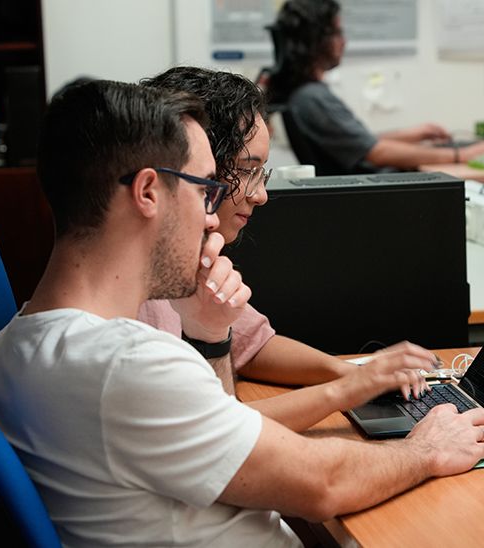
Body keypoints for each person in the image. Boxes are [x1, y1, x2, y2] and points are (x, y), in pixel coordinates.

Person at [0, 80, 484, 546]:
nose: (212, 218)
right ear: (148, 192)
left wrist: (208, 334)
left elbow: (227, 436)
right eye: (207, 190)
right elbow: (323, 483)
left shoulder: (15, 345)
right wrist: (425, 449)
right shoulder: (124, 366)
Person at [137, 67, 360, 398]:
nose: (261, 195)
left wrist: (348, 373)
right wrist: (347, 391)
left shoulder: (191, 255)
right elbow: (216, 428)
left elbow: (252, 343)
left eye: (261, 173)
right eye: (246, 170)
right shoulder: (135, 291)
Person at [266, 0, 484, 175]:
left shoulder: (304, 94)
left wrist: (415, 133)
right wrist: (461, 155)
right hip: (375, 198)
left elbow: (360, 143)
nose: (344, 41)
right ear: (316, 41)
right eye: (338, 32)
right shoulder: (312, 97)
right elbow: (375, 153)